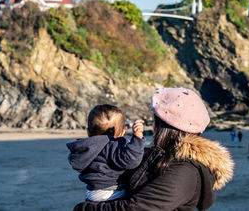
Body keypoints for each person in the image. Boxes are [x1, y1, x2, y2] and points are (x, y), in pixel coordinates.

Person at [74, 88, 234, 211]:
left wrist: (83, 208)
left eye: (155, 120)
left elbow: (135, 208)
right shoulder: (159, 156)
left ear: (163, 126)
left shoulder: (186, 170)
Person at [67, 104, 145, 202]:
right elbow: (132, 160)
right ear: (121, 133)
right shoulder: (112, 146)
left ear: (88, 132)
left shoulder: (85, 147)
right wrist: (137, 139)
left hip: (92, 192)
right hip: (112, 192)